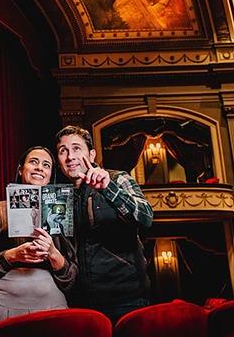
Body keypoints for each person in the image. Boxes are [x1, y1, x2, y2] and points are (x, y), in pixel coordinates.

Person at [55, 125, 153, 323]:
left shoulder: (117, 178)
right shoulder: (59, 198)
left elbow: (145, 217)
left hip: (126, 301)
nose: (69, 156)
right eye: (62, 151)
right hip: (80, 303)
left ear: (92, 155)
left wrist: (109, 189)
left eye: (76, 148)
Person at [0, 146, 78, 333]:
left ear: (50, 176)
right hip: (4, 305)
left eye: (46, 165)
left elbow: (73, 274)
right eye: (33, 162)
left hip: (52, 305)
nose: (40, 168)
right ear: (21, 169)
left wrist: (53, 254)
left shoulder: (63, 212)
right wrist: (12, 255)